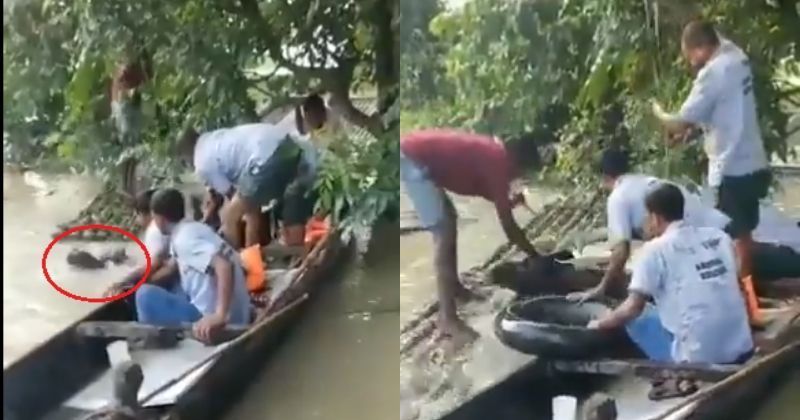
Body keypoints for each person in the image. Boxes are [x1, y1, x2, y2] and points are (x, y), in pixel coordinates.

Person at [400, 129, 544, 343]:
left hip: (420, 156)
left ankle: (455, 288)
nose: (522, 177)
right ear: (518, 160)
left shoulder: (496, 154)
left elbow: (480, 188)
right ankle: (447, 319)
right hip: (412, 158)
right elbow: (509, 227)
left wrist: (508, 201)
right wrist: (535, 255)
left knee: (450, 221)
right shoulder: (498, 162)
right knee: (443, 233)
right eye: (524, 172)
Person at [652, 20, 770, 279]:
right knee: (744, 231)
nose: (692, 63)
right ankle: (747, 286)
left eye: (691, 55)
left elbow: (679, 121)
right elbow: (723, 110)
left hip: (732, 167)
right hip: (754, 162)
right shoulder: (736, 56)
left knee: (733, 235)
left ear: (701, 47)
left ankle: (739, 291)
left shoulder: (713, 73)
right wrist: (692, 131)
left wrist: (659, 113)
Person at [587, 184, 753, 368]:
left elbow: (632, 309)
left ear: (655, 218)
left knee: (637, 319)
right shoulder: (719, 237)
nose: (644, 222)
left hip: (698, 356)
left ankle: (671, 365)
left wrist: (599, 324)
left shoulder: (654, 250)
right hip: (742, 346)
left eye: (646, 216)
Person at [570, 149, 730, 302]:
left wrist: (601, 288)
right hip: (722, 231)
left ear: (604, 177)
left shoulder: (618, 197)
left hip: (706, 244)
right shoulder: (643, 183)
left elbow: (621, 251)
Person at [177, 94, 325, 249]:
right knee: (252, 209)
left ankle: (239, 265)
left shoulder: (201, 162)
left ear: (184, 155)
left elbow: (231, 195)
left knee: (229, 216)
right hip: (286, 145)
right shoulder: (213, 139)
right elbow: (246, 201)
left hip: (265, 157)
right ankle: (252, 256)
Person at [135, 188, 252, 342]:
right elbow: (172, 266)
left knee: (144, 295)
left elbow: (223, 265)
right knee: (172, 284)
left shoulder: (184, 240)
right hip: (239, 312)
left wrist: (220, 315)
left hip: (218, 319)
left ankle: (157, 342)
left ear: (160, 218)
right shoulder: (193, 228)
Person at [104, 189, 181, 297]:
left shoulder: (154, 230)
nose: (136, 220)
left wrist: (125, 282)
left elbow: (154, 264)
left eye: (137, 215)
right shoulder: (173, 227)